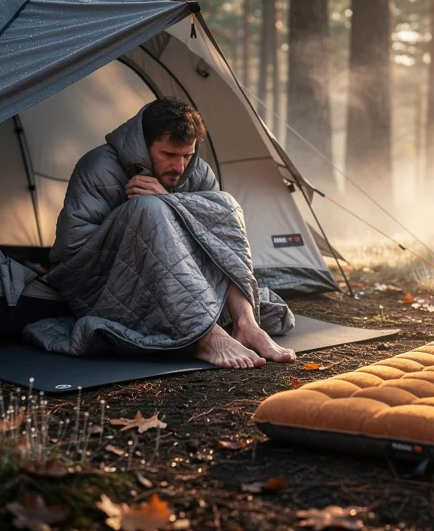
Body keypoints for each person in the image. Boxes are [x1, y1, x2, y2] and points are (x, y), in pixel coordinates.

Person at [46, 98, 295, 369]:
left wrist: (169, 200)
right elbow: (73, 253)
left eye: (187, 155)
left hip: (185, 282)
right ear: (144, 145)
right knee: (148, 209)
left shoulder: (197, 171)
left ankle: (246, 323)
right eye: (168, 155)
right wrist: (151, 213)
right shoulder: (98, 168)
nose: (179, 167)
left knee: (225, 205)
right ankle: (207, 336)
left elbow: (219, 233)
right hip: (102, 284)